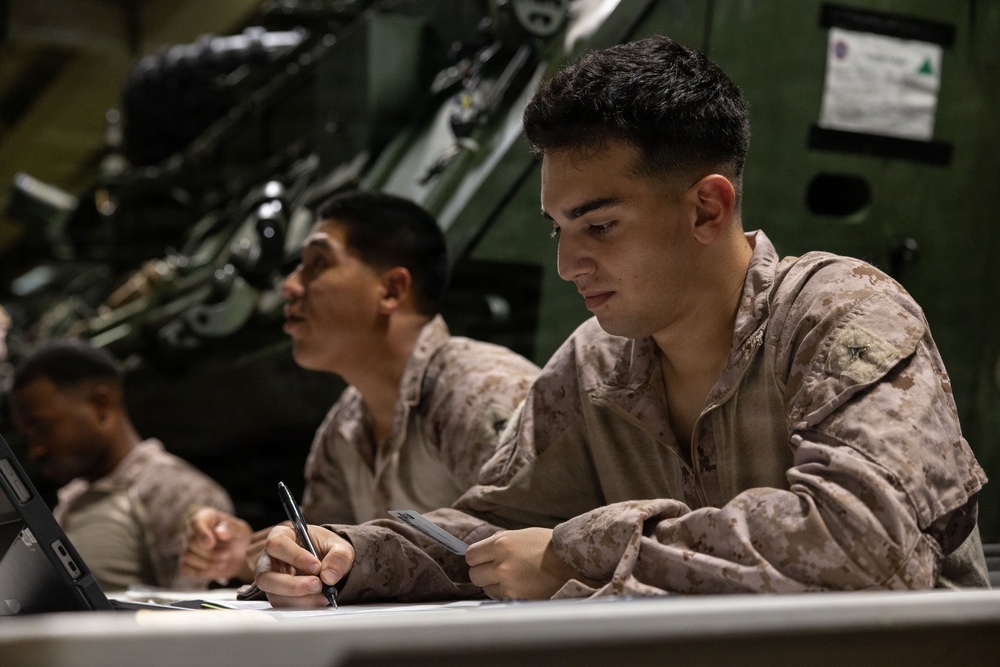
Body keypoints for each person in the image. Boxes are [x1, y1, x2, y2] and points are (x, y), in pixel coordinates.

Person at [254, 35, 989, 607]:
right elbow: (490, 531)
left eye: (598, 226)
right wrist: (352, 553)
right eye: (557, 231)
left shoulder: (844, 315)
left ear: (707, 207)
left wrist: (582, 550)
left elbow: (865, 544)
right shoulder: (597, 363)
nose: (569, 264)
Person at [179, 190, 540, 584]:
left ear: (391, 290)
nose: (289, 286)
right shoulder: (346, 424)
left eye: (317, 263)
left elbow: (531, 544)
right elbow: (324, 555)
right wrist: (248, 553)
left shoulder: (481, 389)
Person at [8, 338, 234, 591]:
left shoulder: (177, 490)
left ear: (100, 405)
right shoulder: (75, 498)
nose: (35, 450)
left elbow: (197, 619)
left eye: (42, 428)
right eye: (28, 437)